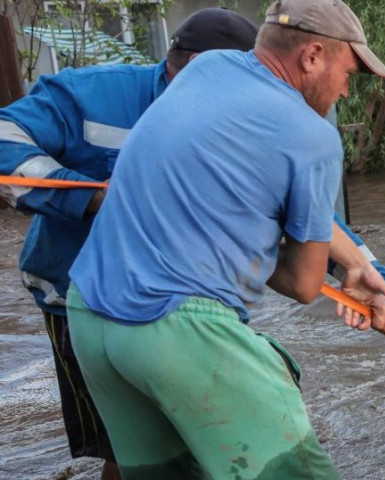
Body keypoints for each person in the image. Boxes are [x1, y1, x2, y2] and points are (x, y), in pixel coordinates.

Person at [66, 0, 385, 477]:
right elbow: (303, 285)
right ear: (312, 56)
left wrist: (353, 264)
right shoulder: (314, 136)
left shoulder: (206, 68)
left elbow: (231, 188)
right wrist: (338, 277)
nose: (348, 89)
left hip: (89, 317)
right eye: (350, 71)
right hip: (174, 328)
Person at [0, 9, 259, 479]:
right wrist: (89, 196)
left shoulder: (241, 116)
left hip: (187, 304)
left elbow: (296, 207)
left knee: (206, 438)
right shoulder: (90, 93)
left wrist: (358, 269)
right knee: (126, 451)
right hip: (77, 301)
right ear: (198, 66)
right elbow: (3, 137)